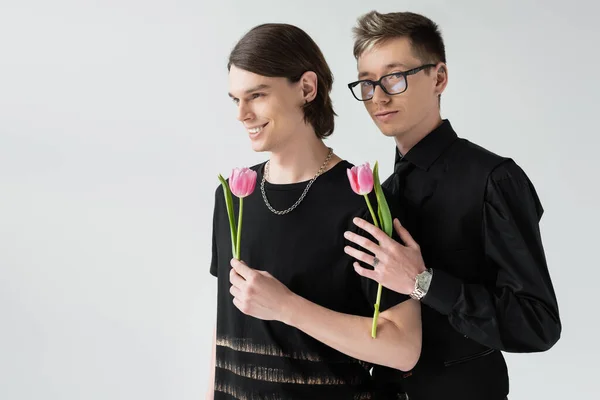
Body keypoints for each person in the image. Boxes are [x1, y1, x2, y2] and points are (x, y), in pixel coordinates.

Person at [343, 10, 562, 400]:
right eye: (366, 82)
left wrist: (423, 283)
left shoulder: (493, 178)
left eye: (394, 77)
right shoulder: (380, 195)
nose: (378, 96)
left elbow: (537, 323)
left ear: (439, 77)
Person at [208, 23, 422, 400]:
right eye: (234, 99)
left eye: (256, 95)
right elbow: (226, 327)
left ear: (307, 88)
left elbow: (403, 347)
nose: (242, 114)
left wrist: (287, 306)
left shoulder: (364, 202)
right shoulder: (232, 196)